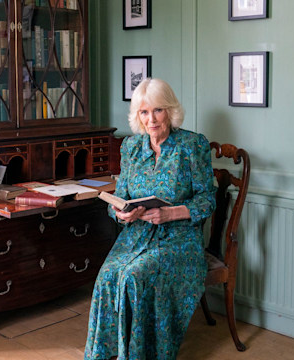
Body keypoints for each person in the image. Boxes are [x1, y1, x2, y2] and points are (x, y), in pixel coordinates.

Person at [84, 78, 217, 360]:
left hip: (179, 239)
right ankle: (109, 354)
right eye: (144, 112)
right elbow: (121, 196)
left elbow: (208, 199)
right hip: (135, 236)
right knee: (107, 276)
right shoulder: (131, 148)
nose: (151, 119)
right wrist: (121, 213)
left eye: (158, 110)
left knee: (134, 276)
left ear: (170, 110)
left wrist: (171, 213)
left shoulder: (192, 145)